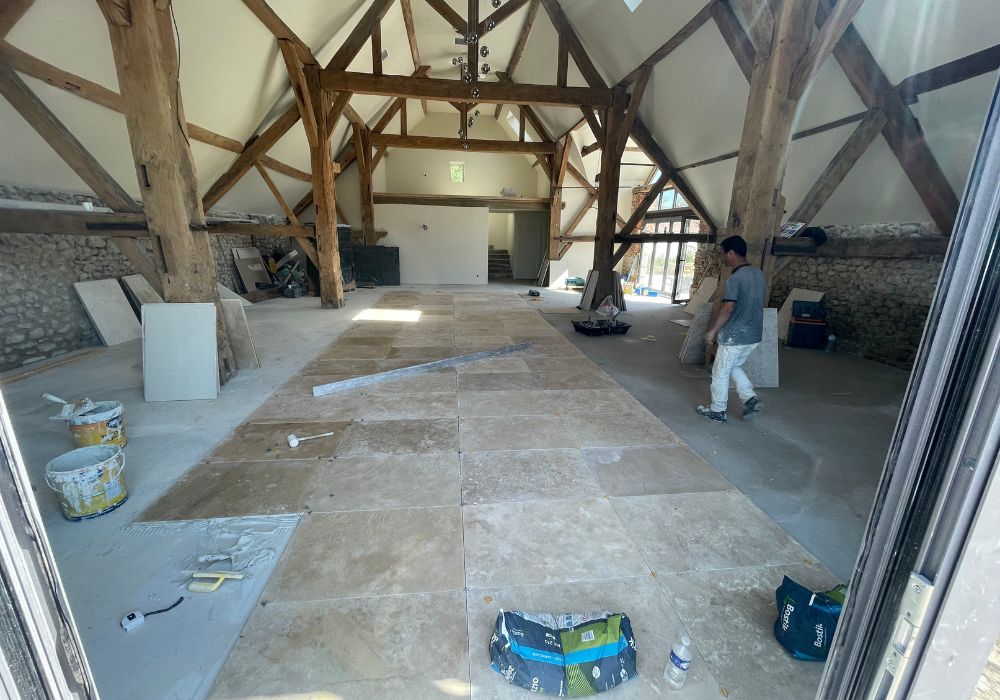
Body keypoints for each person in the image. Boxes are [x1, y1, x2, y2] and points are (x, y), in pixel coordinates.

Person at [696, 235, 765, 423]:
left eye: (723, 254)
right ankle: (750, 398)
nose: (723, 258)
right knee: (733, 366)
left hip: (735, 336)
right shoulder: (758, 274)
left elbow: (728, 308)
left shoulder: (735, 278)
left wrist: (712, 331)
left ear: (731, 253)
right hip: (754, 335)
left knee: (720, 373)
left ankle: (717, 410)